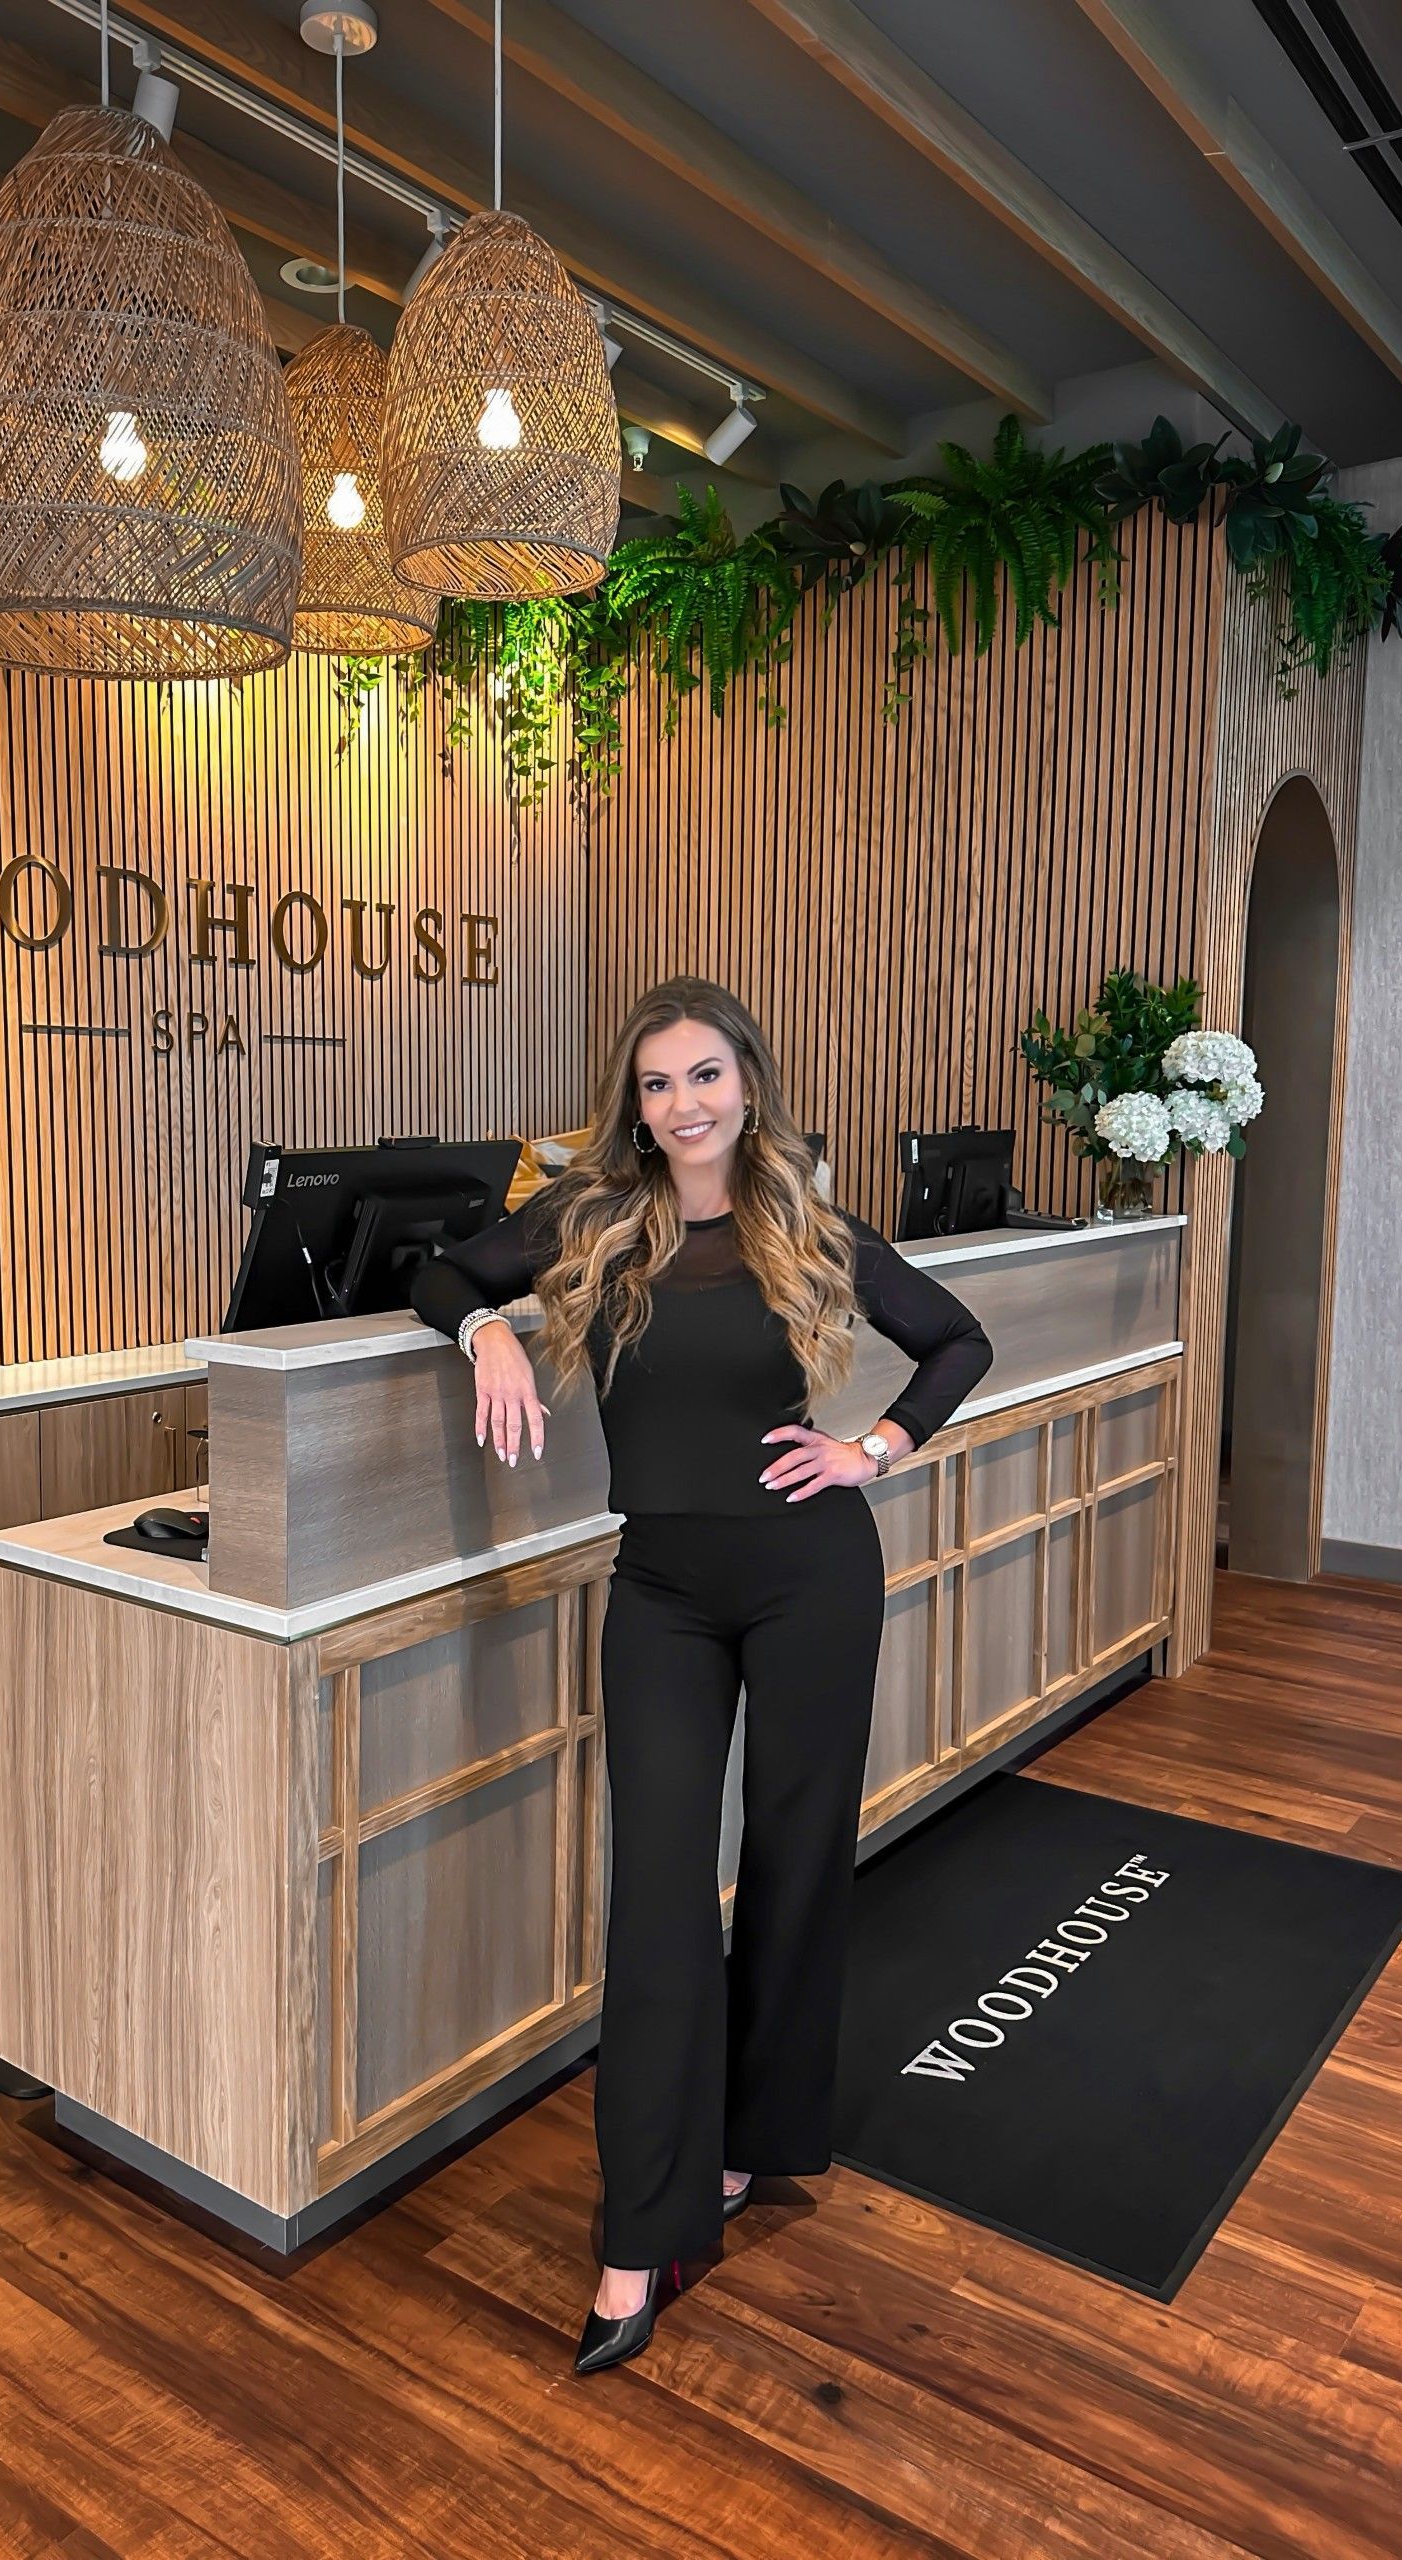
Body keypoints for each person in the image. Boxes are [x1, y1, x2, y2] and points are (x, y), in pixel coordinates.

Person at [408, 975, 993, 2375]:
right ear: (636, 1098)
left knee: (798, 1860)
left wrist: (875, 1450)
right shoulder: (594, 1217)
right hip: (660, 1590)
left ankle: (758, 2137)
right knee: (660, 1894)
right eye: (658, 1083)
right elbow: (440, 1273)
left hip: (810, 1576)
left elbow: (957, 1340)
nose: (683, 1105)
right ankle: (638, 2233)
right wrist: (484, 1327)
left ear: (749, 1082)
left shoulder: (808, 1224)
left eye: (706, 1077)